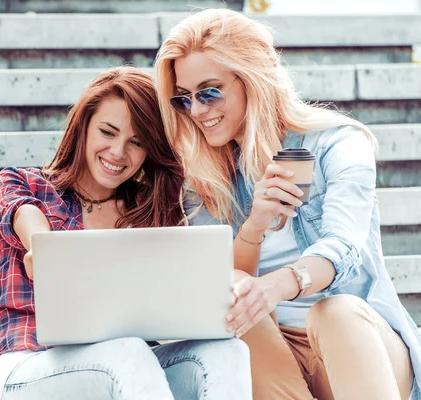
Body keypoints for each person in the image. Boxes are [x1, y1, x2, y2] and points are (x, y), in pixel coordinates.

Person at [155, 8, 421, 400]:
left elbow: (345, 246)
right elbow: (223, 290)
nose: (197, 111)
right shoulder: (205, 180)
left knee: (335, 314)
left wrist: (282, 284)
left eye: (210, 92)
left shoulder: (338, 144)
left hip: (360, 348)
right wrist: (254, 227)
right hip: (276, 358)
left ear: (252, 78)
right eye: (184, 99)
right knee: (231, 284)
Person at [0, 66, 251, 400]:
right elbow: (21, 211)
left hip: (128, 365)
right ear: (83, 126)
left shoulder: (148, 209)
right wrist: (42, 249)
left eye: (136, 142)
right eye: (107, 132)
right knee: (125, 351)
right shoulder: (24, 183)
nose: (118, 152)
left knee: (227, 351)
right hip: (27, 364)